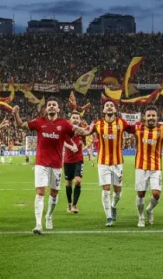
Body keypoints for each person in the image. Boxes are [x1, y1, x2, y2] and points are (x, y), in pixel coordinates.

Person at [12, 100, 75, 235]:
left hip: (56, 165)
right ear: (46, 109)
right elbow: (21, 125)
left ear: (58, 109)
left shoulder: (64, 124)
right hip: (41, 164)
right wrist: (16, 114)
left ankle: (49, 215)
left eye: (54, 104)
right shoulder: (39, 121)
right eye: (49, 105)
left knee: (54, 194)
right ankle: (38, 224)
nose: (51, 106)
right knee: (40, 192)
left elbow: (75, 133)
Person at [73, 100, 134, 227]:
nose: (110, 107)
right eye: (107, 106)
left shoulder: (122, 123)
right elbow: (85, 132)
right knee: (106, 190)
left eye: (112, 106)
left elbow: (135, 130)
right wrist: (73, 128)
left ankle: (113, 206)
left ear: (115, 110)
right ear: (104, 110)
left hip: (118, 163)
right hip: (103, 162)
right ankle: (108, 217)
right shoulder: (97, 123)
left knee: (117, 191)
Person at [63, 111, 86, 213]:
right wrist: (71, 146)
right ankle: (69, 203)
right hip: (68, 160)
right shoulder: (66, 131)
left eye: (77, 118)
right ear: (70, 120)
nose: (76, 119)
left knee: (78, 181)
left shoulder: (82, 132)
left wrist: (85, 148)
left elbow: (85, 142)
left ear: (80, 120)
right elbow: (62, 142)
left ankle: (74, 205)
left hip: (79, 160)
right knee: (68, 183)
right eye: (74, 117)